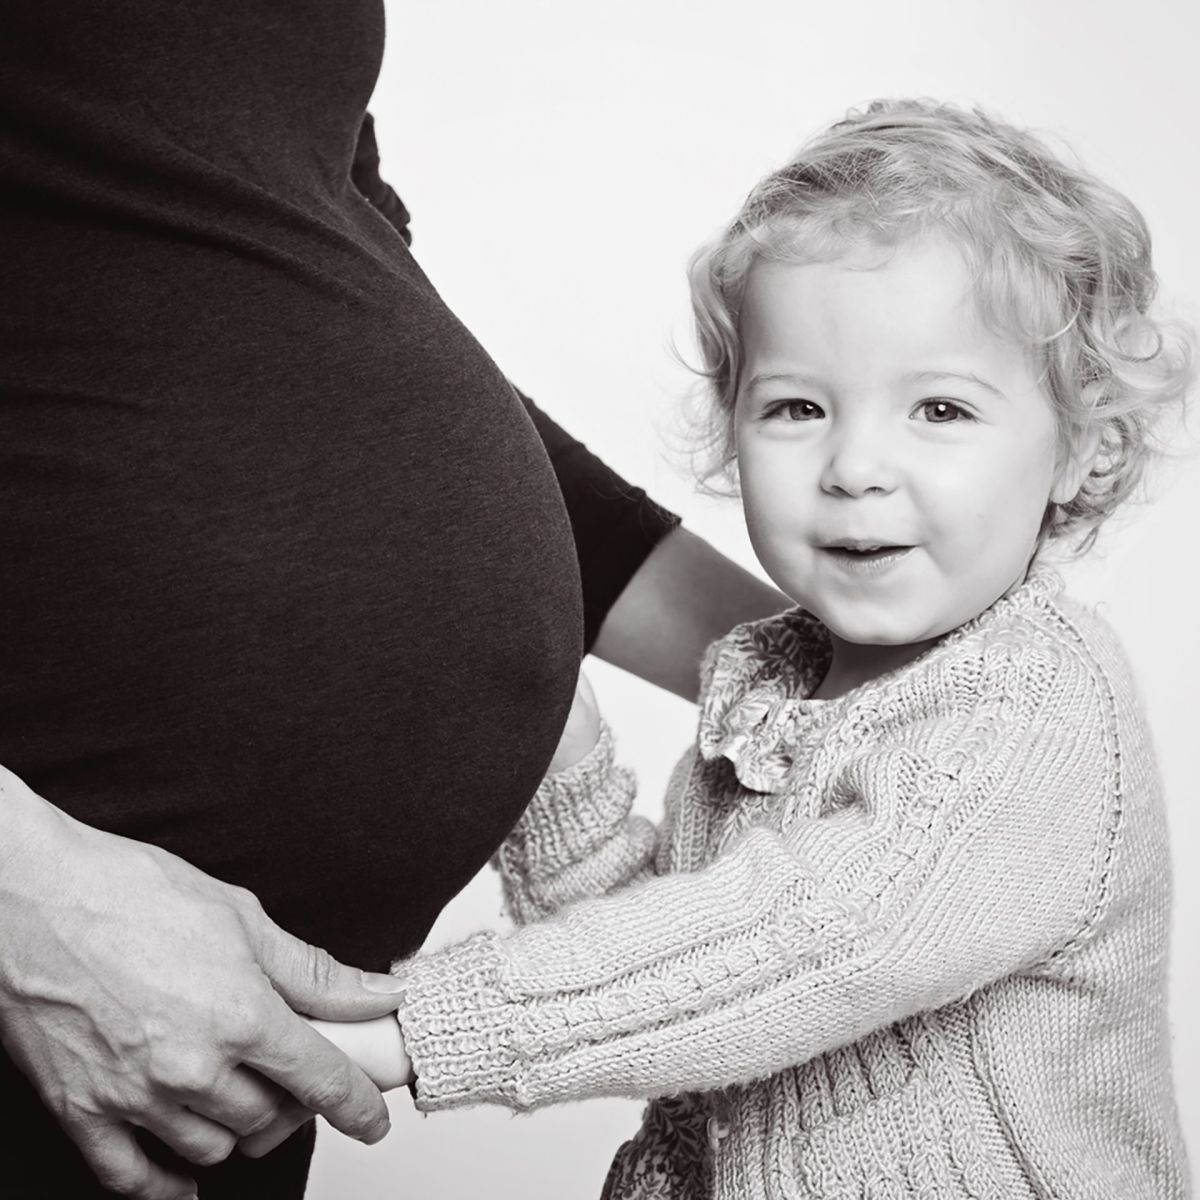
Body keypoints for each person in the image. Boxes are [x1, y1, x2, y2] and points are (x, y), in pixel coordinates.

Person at [314, 100, 1194, 1198]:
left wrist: (415, 1031)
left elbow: (802, 944)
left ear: (1083, 449)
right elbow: (667, 967)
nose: (855, 465)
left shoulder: (1044, 711)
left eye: (941, 411)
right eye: (795, 408)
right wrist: (555, 753)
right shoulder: (768, 685)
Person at [0, 3, 785, 1199]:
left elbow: (319, 302)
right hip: (65, 962)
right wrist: (26, 907)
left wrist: (823, 669)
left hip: (206, 1044)